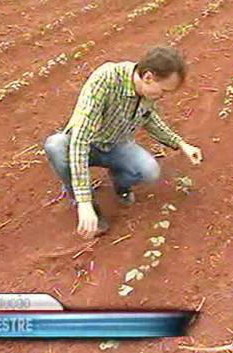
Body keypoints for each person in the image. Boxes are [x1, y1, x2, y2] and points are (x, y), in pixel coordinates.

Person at [44, 46, 203, 239]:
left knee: (149, 171)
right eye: (163, 91)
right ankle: (84, 202)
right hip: (87, 143)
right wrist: (84, 202)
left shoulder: (146, 91)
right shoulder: (106, 79)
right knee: (56, 146)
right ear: (148, 77)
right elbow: (80, 139)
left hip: (116, 145)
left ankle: (120, 183)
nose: (163, 96)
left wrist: (180, 144)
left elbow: (149, 118)